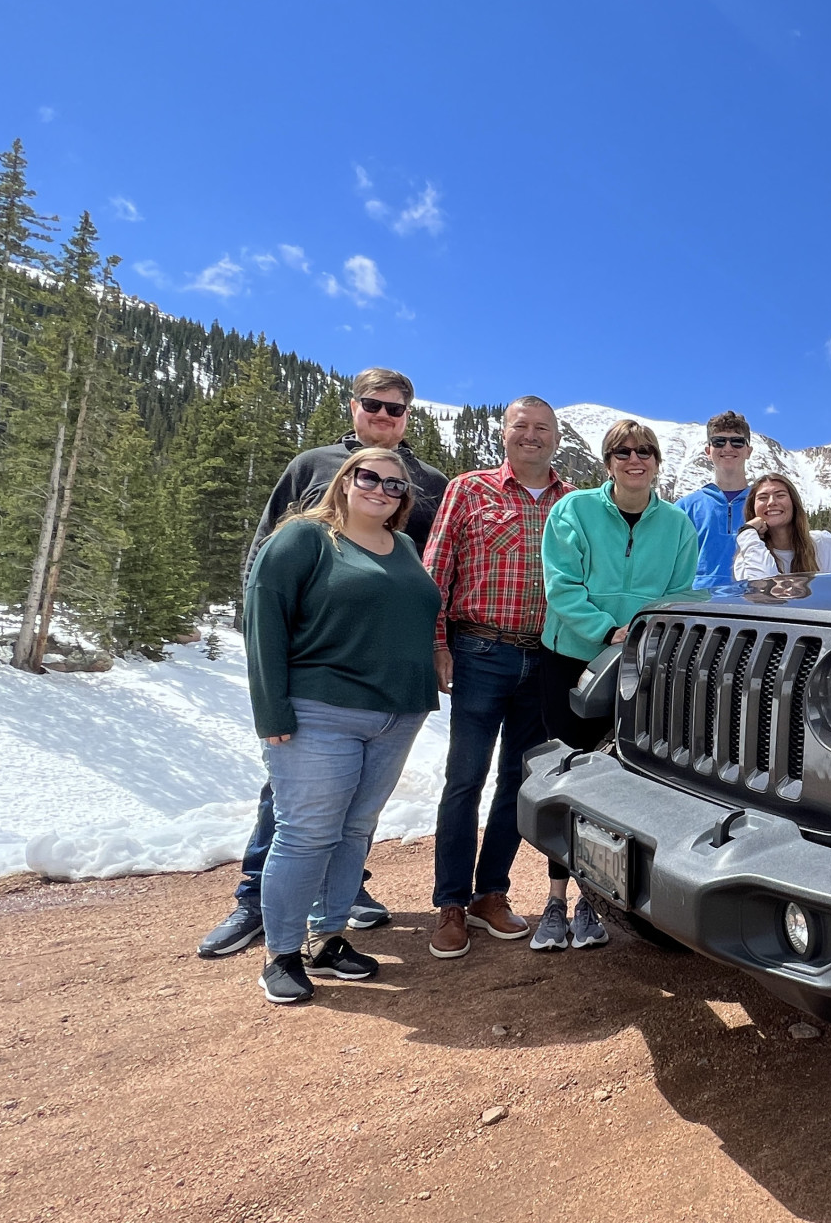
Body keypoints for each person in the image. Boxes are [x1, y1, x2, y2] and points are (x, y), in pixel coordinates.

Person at [198, 367, 449, 959]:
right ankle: (254, 901)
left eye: (396, 409)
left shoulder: (429, 484)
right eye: (374, 406)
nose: (384, 418)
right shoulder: (311, 467)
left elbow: (427, 576)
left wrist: (435, 644)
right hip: (319, 683)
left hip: (390, 691)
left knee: (354, 813)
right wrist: (270, 669)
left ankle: (337, 905)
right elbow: (266, 560)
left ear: (409, 416)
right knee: (293, 807)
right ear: (354, 406)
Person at [243, 447, 442, 1004]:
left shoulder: (402, 546)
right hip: (319, 711)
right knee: (307, 834)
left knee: (356, 829)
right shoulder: (305, 538)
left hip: (397, 714)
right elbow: (264, 618)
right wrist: (271, 710)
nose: (381, 490)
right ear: (345, 479)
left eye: (395, 485)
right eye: (369, 477)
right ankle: (281, 953)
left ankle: (327, 938)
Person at [535, 419, 698, 949]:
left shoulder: (676, 525)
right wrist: (609, 631)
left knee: (622, 784)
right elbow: (562, 586)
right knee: (570, 779)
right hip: (575, 660)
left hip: (640, 669)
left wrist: (643, 636)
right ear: (608, 461)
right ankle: (554, 903)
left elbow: (678, 594)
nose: (636, 458)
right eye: (623, 451)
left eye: (645, 451)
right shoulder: (573, 511)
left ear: (656, 461)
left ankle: (592, 902)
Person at [423, 397, 572, 960]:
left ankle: (491, 894)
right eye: (521, 427)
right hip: (479, 651)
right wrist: (438, 642)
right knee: (465, 778)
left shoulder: (575, 503)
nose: (531, 436)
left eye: (542, 429)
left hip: (546, 659)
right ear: (504, 433)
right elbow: (437, 568)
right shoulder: (469, 489)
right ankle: (451, 904)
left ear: (556, 437)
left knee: (518, 781)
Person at [676, 410, 753, 589]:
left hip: (752, 606)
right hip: (697, 607)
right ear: (708, 451)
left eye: (737, 442)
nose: (728, 448)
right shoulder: (684, 508)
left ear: (748, 451)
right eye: (719, 442)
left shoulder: (763, 505)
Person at [732, 473, 831, 579]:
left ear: (794, 504)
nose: (771, 502)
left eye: (780, 495)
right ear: (753, 509)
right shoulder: (748, 555)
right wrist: (748, 532)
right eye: (763, 498)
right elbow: (763, 592)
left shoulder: (825, 544)